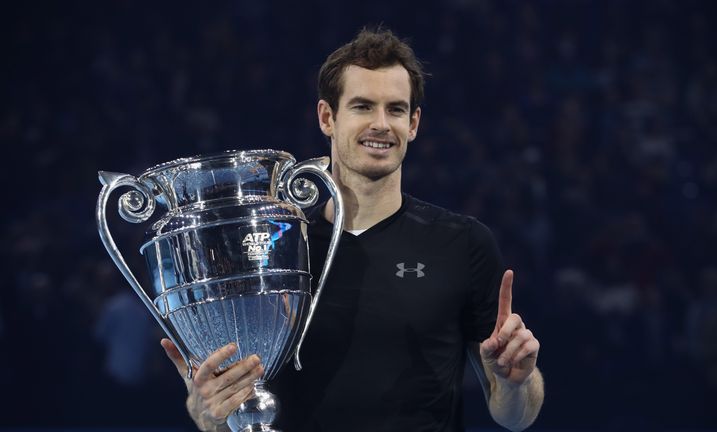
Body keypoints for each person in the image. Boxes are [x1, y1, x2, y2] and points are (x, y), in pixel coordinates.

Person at [161, 27, 544, 431]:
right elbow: (233, 412)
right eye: (363, 106)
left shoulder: (464, 244)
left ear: (414, 123)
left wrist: (516, 384)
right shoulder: (272, 249)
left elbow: (514, 416)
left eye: (396, 110)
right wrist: (208, 413)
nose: (381, 124)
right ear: (328, 117)